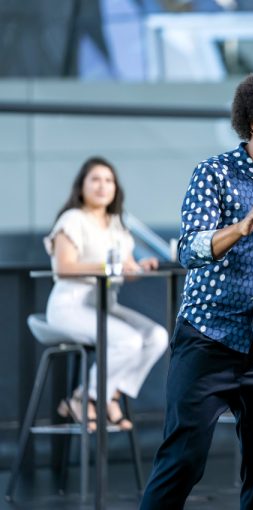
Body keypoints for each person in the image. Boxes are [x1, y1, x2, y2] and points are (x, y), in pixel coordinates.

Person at [140, 67, 253, 510]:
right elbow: (190, 249)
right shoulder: (215, 174)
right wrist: (240, 228)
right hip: (209, 339)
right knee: (183, 461)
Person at [44, 156, 169, 432]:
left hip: (104, 305)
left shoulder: (116, 224)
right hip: (71, 306)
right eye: (96, 180)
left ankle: (107, 395)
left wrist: (138, 267)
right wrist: (109, 266)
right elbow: (64, 267)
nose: (103, 186)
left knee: (156, 337)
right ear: (82, 186)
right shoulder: (72, 219)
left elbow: (125, 269)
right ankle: (86, 398)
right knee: (128, 341)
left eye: (108, 180)